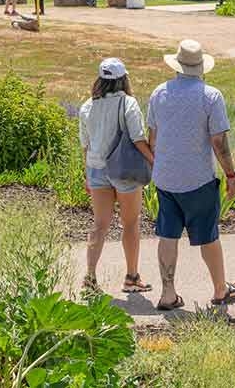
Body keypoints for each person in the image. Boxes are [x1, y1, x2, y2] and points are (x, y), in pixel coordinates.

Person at [147, 40, 235, 311]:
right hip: (197, 179)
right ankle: (219, 290)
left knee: (167, 235)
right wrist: (231, 175)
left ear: (177, 65)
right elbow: (218, 142)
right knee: (208, 236)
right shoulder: (210, 96)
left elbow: (153, 138)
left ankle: (168, 294)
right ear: (201, 67)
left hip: (166, 177)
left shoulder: (159, 93)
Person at [79, 58, 156, 296]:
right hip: (125, 169)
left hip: (96, 168)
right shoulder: (128, 103)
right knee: (130, 223)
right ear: (123, 79)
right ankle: (132, 277)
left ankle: (90, 277)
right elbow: (137, 138)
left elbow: (85, 145)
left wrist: (87, 175)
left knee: (99, 225)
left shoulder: (86, 107)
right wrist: (155, 161)